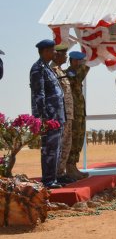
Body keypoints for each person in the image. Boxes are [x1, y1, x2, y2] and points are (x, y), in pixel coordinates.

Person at [30, 39, 65, 188]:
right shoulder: (38, 69)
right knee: (49, 150)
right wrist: (43, 118)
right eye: (53, 50)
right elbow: (39, 95)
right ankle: (48, 180)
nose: (55, 52)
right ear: (45, 51)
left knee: (55, 149)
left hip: (57, 116)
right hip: (49, 117)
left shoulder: (47, 68)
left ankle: (53, 178)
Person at [50, 44, 75, 184]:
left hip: (68, 114)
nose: (66, 57)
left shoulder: (60, 71)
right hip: (60, 114)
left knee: (66, 144)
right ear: (57, 55)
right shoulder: (52, 71)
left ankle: (61, 173)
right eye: (64, 54)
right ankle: (55, 175)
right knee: (58, 145)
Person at [65, 51, 90, 180]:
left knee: (79, 139)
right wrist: (84, 66)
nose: (81, 64)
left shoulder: (76, 73)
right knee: (73, 140)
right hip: (73, 113)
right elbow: (79, 77)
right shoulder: (69, 73)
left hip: (79, 112)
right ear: (73, 61)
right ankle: (69, 167)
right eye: (79, 61)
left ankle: (73, 166)